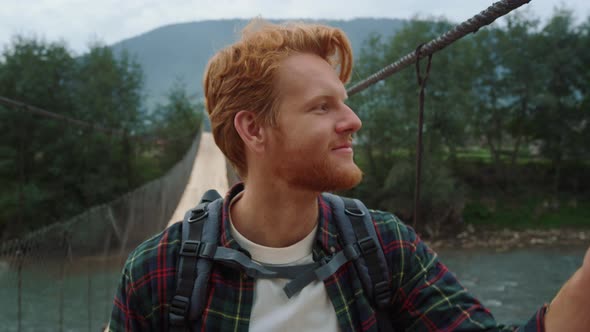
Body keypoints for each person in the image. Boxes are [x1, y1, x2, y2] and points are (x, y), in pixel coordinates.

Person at [108, 19, 590, 331]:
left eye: (345, 101)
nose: (354, 120)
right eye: (322, 107)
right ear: (253, 129)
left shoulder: (382, 247)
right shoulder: (161, 275)